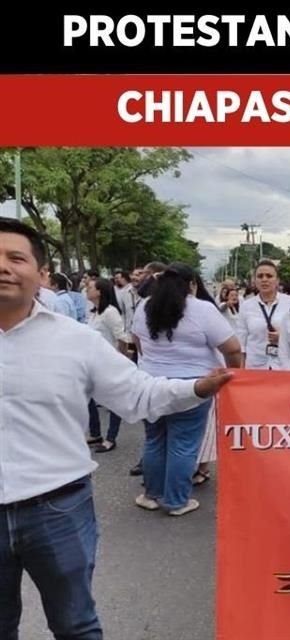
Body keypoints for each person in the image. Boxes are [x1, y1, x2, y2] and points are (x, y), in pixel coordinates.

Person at [0, 217, 232, 639]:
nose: (4, 267)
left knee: (75, 624)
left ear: (41, 273)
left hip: (57, 510)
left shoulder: (77, 340)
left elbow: (139, 395)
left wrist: (198, 387)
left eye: (16, 257)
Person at [131, 263, 243, 516]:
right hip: (193, 387)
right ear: (192, 284)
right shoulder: (202, 310)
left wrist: (155, 360)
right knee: (183, 444)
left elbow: (137, 341)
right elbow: (233, 348)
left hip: (151, 384)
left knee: (155, 439)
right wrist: (234, 374)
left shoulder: (144, 306)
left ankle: (151, 494)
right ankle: (176, 501)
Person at [84, 277, 126, 453]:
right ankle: (95, 433)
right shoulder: (93, 312)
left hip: (108, 363)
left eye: (91, 287)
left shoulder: (110, 312)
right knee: (87, 398)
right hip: (92, 362)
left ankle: (111, 438)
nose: (87, 289)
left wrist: (119, 359)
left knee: (113, 401)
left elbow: (121, 338)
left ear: (100, 291)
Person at [236, 259, 290, 370]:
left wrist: (282, 338)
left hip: (283, 367)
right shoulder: (246, 306)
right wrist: (241, 370)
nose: (264, 280)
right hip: (255, 367)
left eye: (269, 276)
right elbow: (241, 343)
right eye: (260, 276)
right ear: (254, 280)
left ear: (277, 280)